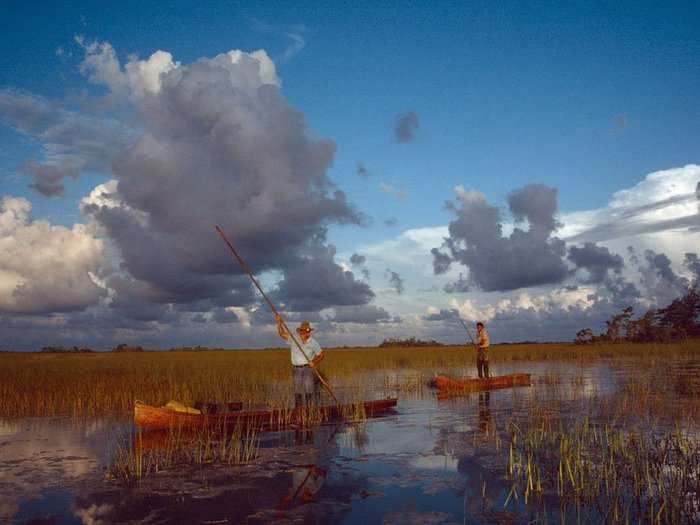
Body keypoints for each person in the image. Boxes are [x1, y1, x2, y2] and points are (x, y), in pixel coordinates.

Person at [276, 315, 325, 407]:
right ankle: (298, 409)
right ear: (300, 331)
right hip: (296, 369)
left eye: (307, 331)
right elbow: (282, 334)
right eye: (303, 331)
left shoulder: (313, 342)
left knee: (308, 390)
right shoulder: (294, 339)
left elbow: (321, 355)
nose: (305, 333)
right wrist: (279, 323)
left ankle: (309, 409)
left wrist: (313, 362)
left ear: (309, 332)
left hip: (307, 368)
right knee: (297, 390)